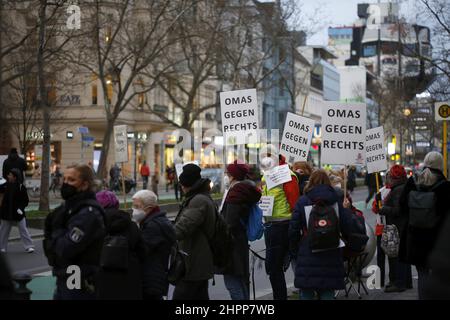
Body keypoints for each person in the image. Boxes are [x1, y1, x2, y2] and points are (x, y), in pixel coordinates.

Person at [288, 169, 356, 300]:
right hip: (331, 250)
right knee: (327, 290)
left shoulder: (303, 201)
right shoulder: (336, 199)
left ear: (311, 182)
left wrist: (295, 250)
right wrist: (347, 211)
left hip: (308, 250)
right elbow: (348, 227)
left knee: (307, 291)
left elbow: (293, 229)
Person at [43, 164, 106, 300]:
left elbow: (66, 248)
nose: (65, 184)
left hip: (77, 277)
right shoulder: (69, 208)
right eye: (64, 179)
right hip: (65, 275)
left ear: (84, 185)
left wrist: (57, 229)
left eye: (71, 180)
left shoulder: (87, 213)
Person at [399, 151, 450, 300]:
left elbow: (402, 206)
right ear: (441, 165)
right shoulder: (446, 187)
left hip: (415, 240)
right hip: (438, 242)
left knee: (422, 275)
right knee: (441, 279)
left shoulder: (412, 182)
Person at [172, 164, 216, 300]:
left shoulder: (198, 201)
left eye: (182, 184)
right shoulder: (201, 197)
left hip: (194, 262)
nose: (181, 188)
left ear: (186, 184)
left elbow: (181, 229)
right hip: (198, 261)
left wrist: (163, 232)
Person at [220, 160, 261, 300]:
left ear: (232, 176)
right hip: (239, 241)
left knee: (232, 282)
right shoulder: (244, 190)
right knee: (241, 281)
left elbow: (229, 222)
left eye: (227, 173)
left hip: (232, 243)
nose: (225, 175)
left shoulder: (236, 193)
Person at [95, 190, 147, 300]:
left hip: (103, 280)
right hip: (130, 279)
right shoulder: (131, 225)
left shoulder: (95, 226)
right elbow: (142, 252)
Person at [261, 155, 300, 300]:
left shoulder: (287, 175)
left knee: (274, 267)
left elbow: (294, 202)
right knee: (273, 267)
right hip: (271, 224)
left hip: (283, 224)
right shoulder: (266, 174)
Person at [131, 190, 175, 300]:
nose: (134, 209)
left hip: (151, 279)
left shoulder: (153, 226)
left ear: (149, 208)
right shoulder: (154, 221)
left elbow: (141, 251)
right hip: (155, 277)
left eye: (137, 206)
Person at [379, 165, 412, 293]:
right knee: (403, 255)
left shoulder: (398, 190)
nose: (389, 179)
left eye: (390, 176)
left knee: (398, 256)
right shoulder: (402, 187)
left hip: (399, 227)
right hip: (402, 226)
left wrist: (383, 209)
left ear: (394, 177)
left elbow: (398, 210)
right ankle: (406, 282)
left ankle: (399, 284)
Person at [0, 168, 34, 253]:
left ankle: (29, 246)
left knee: (23, 229)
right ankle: (2, 247)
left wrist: (20, 208)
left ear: (15, 177)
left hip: (18, 213)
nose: (8, 176)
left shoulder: (21, 187)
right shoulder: (5, 186)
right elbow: (2, 199)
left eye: (10, 175)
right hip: (6, 212)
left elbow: (25, 200)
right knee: (3, 231)